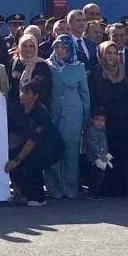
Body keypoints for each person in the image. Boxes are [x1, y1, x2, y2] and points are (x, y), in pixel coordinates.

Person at [88, 41, 128, 197]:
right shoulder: (96, 72)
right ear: (101, 54)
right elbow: (92, 96)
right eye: (108, 53)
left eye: (114, 53)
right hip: (103, 120)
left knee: (121, 151)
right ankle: (103, 188)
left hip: (123, 119)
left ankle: (121, 187)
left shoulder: (123, 71)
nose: (111, 56)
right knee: (104, 151)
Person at [5, 77, 64, 207]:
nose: (22, 95)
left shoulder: (41, 113)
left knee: (33, 163)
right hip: (34, 145)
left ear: (35, 96)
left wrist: (17, 160)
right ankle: (25, 193)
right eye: (22, 92)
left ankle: (39, 198)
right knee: (8, 159)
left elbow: (32, 141)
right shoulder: (17, 108)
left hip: (52, 147)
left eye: (27, 93)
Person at [44, 34, 90, 199]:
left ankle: (70, 187)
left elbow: (84, 94)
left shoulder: (79, 66)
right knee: (53, 149)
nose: (60, 50)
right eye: (57, 47)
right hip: (52, 112)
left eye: (63, 47)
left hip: (73, 114)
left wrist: (85, 116)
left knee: (71, 153)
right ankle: (53, 187)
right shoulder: (47, 65)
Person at [8, 34, 52, 108]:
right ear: (20, 47)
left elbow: (45, 91)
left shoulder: (42, 65)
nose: (28, 49)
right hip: (15, 108)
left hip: (36, 109)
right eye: (24, 46)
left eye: (31, 46)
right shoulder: (15, 63)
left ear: (36, 47)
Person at [84, 107, 110, 201]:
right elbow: (92, 144)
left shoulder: (103, 130)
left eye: (102, 120)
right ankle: (92, 193)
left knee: (100, 176)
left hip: (101, 156)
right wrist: (100, 154)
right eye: (97, 120)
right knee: (94, 176)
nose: (100, 122)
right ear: (91, 120)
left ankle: (96, 192)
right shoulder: (92, 131)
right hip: (94, 158)